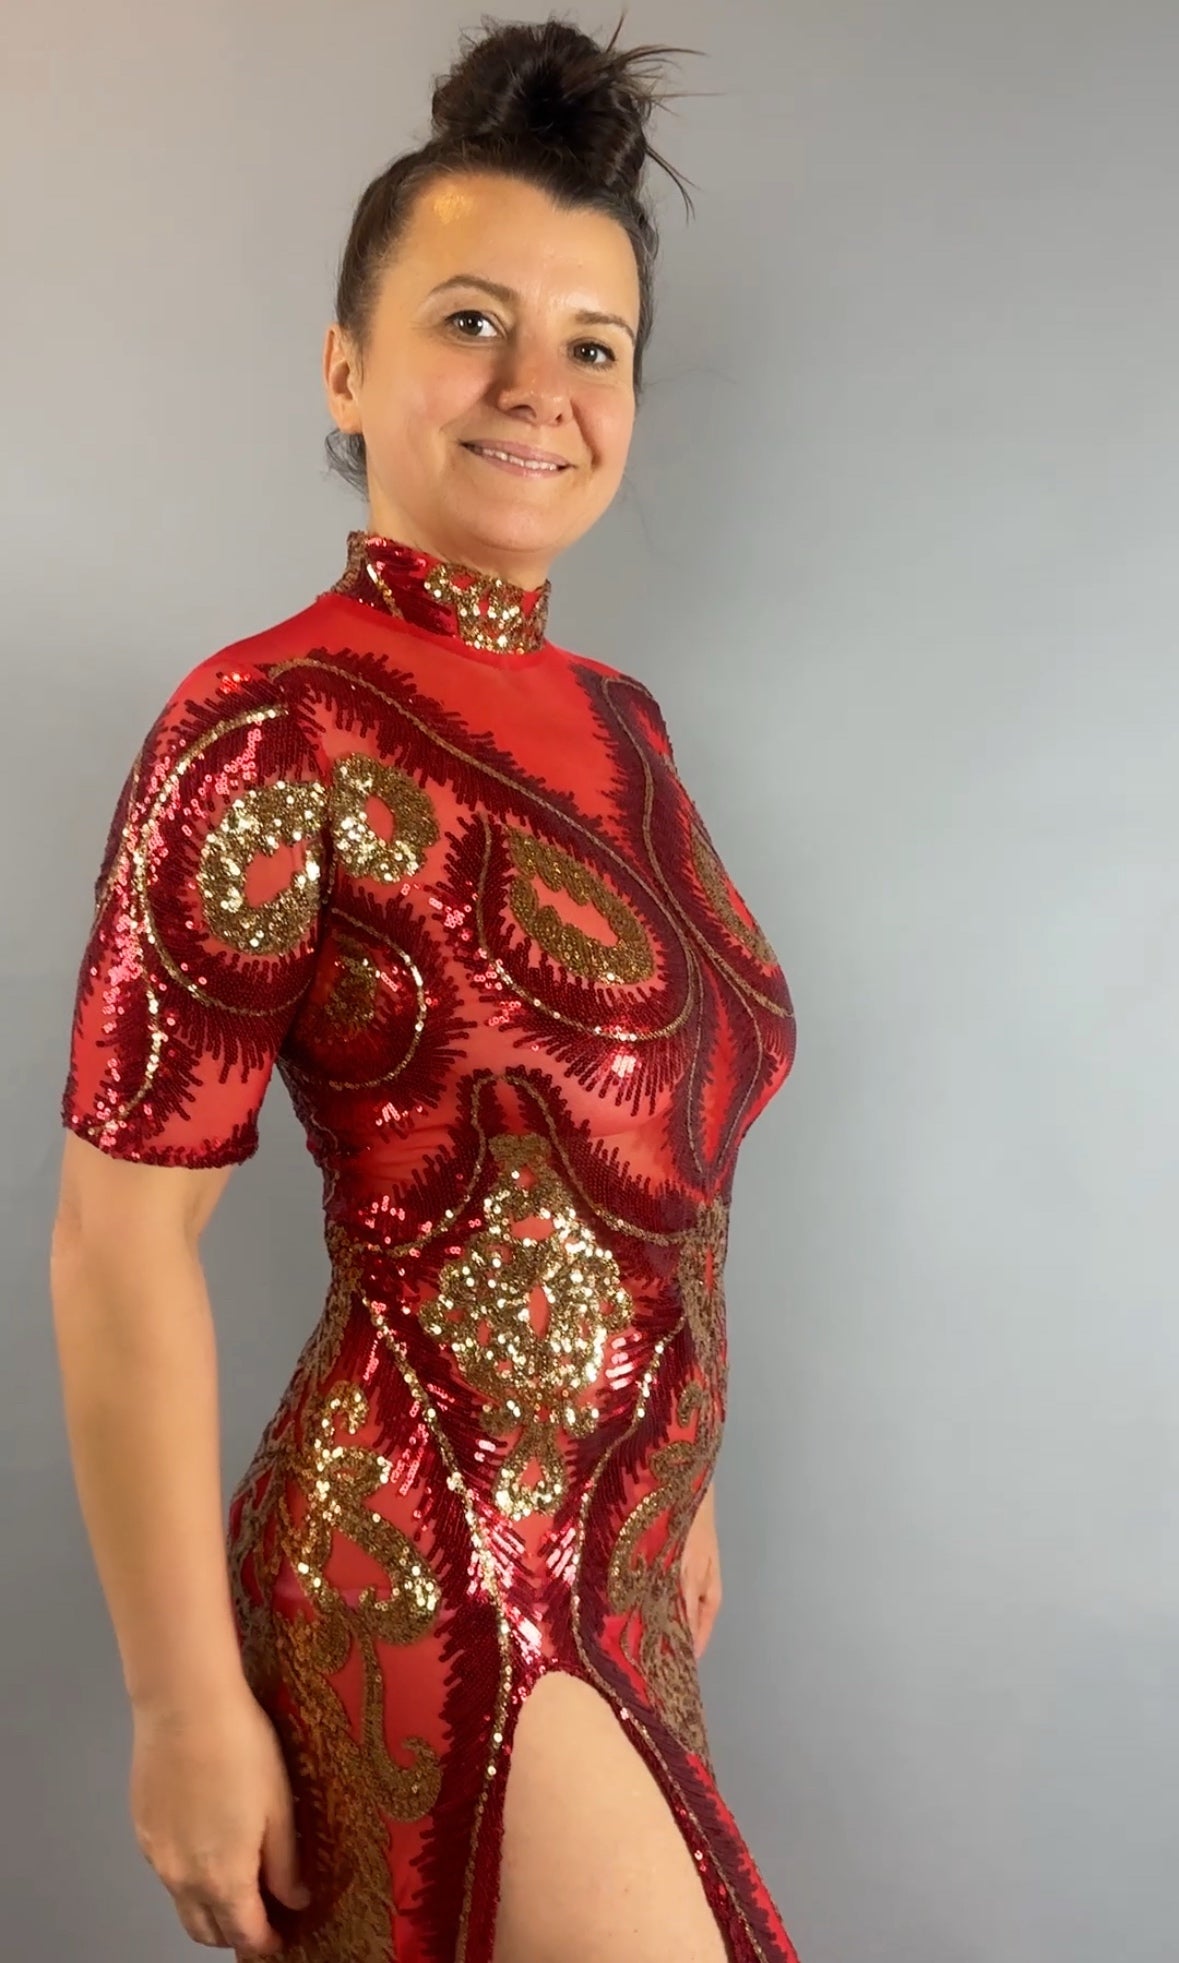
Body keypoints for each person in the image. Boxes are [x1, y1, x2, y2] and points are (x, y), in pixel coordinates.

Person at [49, 15, 800, 1963]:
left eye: (593, 345)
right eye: (473, 320)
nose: (536, 388)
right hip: (433, 1553)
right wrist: (177, 1698)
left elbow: (658, 1154)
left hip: (622, 1562)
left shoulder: (621, 727)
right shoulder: (269, 730)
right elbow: (120, 1243)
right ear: (345, 365)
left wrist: (676, 1469)